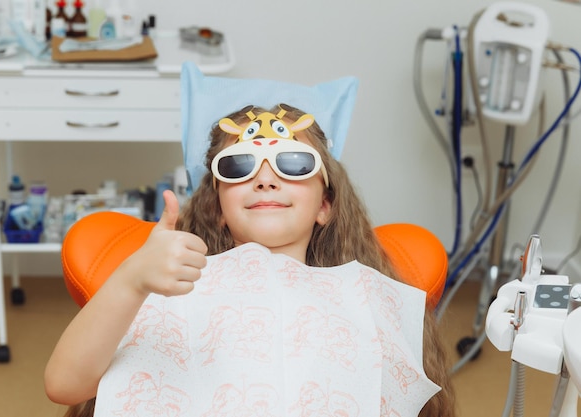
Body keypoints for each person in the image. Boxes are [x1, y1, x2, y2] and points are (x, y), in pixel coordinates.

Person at [45, 103, 456, 417]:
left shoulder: (364, 299)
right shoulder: (168, 287)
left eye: (293, 163)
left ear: (325, 205)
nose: (265, 178)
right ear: (218, 207)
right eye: (239, 166)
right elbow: (64, 385)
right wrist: (132, 280)